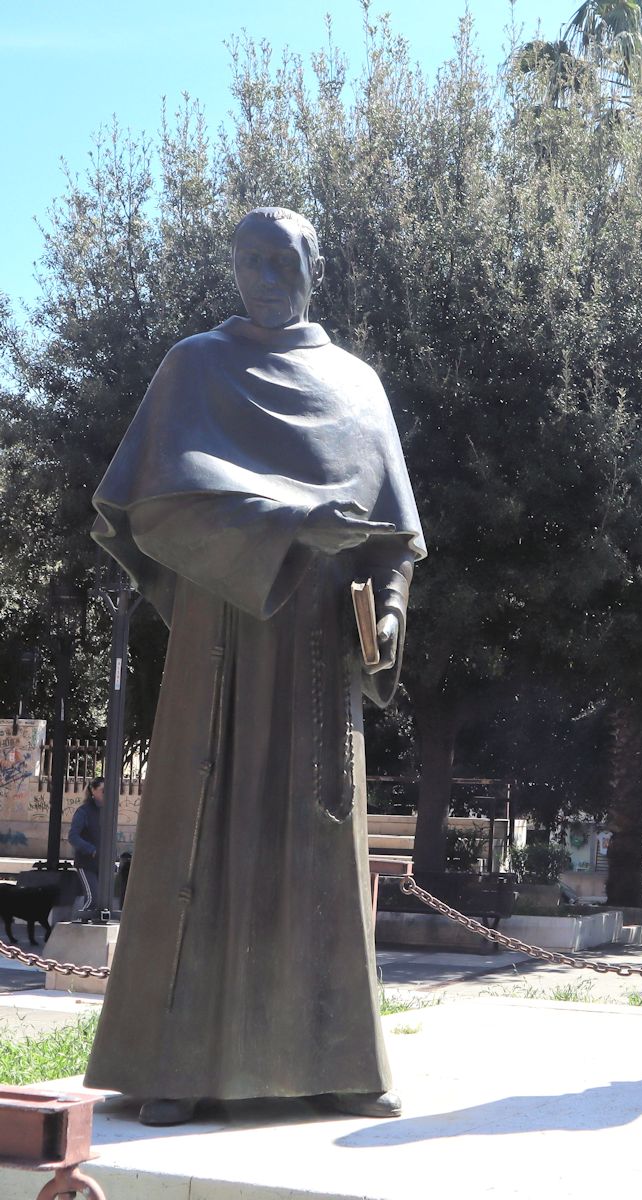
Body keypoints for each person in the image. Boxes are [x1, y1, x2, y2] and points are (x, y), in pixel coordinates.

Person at [88, 207, 426, 1126]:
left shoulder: (356, 386)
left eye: (283, 260)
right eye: (249, 262)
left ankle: (338, 1062)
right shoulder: (194, 366)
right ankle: (179, 1068)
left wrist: (387, 608)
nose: (265, 278)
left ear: (316, 265)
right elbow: (156, 508)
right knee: (208, 835)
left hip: (320, 655)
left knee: (317, 851)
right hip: (224, 641)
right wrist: (289, 527)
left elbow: (393, 535)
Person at [67, 777, 104, 916]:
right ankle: (80, 923)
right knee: (92, 898)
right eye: (103, 791)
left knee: (103, 899)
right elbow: (73, 836)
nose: (106, 795)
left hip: (102, 863)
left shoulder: (107, 811)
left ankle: (91, 924)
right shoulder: (84, 811)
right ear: (93, 791)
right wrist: (90, 850)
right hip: (87, 862)